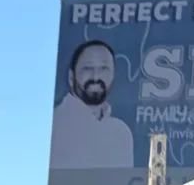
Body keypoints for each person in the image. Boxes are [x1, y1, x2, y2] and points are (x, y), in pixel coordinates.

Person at [50, 39, 135, 169]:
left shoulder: (121, 132)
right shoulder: (54, 125)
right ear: (71, 77)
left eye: (104, 68)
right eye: (87, 68)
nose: (96, 77)